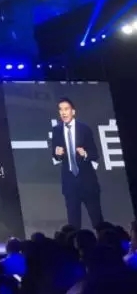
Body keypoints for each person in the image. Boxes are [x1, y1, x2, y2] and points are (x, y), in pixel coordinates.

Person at [51, 98, 103, 229]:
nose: (63, 112)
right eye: (61, 110)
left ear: (73, 111)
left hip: (88, 182)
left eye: (66, 109)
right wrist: (57, 153)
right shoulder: (57, 130)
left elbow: (95, 154)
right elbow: (55, 155)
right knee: (74, 225)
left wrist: (85, 154)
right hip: (70, 184)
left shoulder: (84, 129)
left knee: (97, 221)